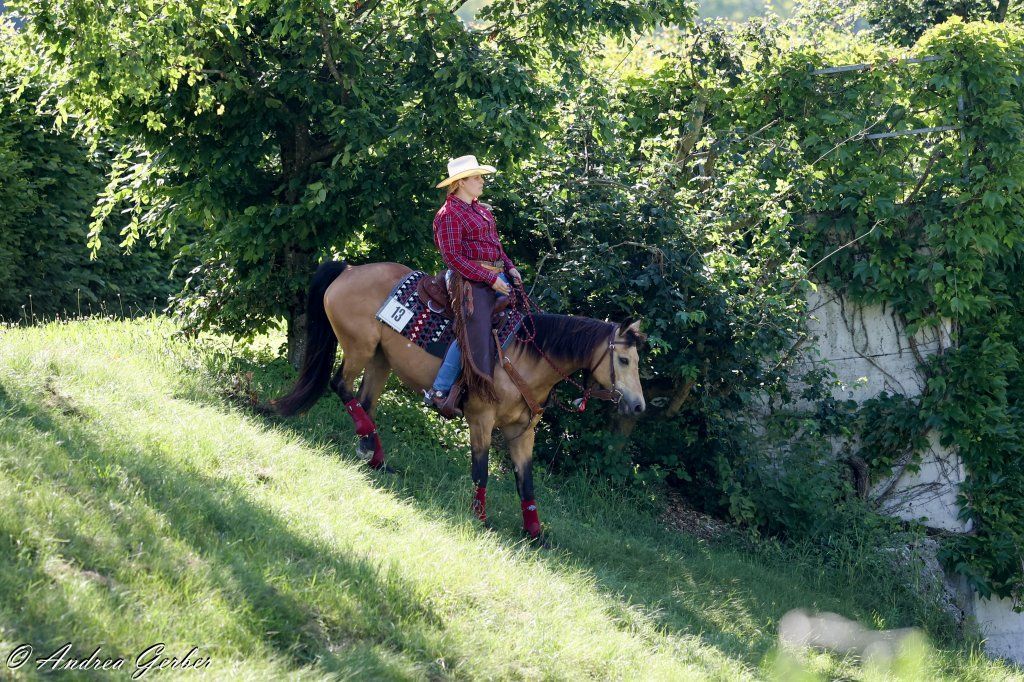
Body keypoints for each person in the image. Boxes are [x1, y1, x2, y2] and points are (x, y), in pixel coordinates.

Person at [426, 155, 523, 417]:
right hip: (466, 278)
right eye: (477, 177)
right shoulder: (448, 214)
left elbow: (495, 247)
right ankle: (440, 389)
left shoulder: (481, 210)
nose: (482, 181)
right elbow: (453, 258)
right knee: (474, 326)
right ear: (460, 183)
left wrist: (509, 266)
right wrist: (490, 279)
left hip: (496, 274)